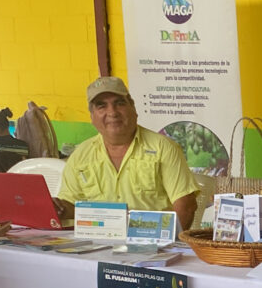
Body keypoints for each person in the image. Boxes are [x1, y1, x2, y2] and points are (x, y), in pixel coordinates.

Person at [55, 77, 198, 229]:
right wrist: (58, 207)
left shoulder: (163, 148)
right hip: (98, 239)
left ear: (133, 108)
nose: (112, 112)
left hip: (151, 238)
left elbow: (186, 206)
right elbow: (71, 205)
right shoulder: (81, 155)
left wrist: (166, 238)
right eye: (102, 106)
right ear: (92, 116)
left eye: (119, 103)